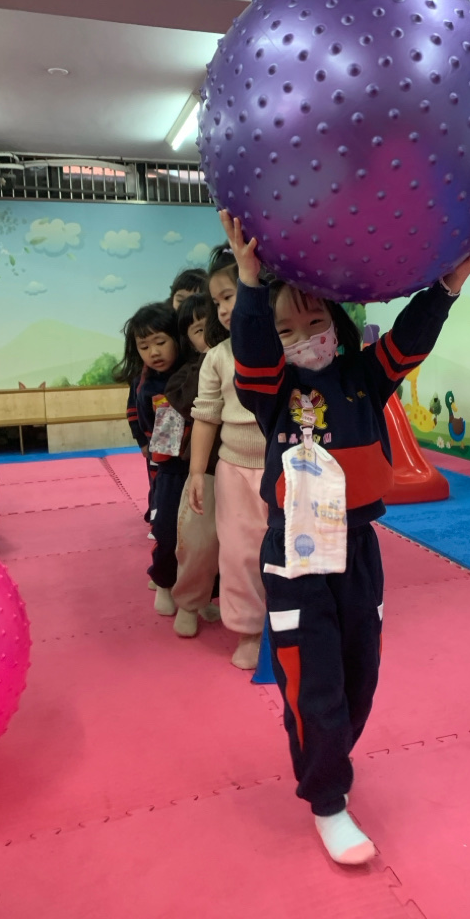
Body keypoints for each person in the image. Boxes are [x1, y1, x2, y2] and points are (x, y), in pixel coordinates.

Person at [224, 209, 470, 865]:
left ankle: (330, 757)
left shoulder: (363, 378)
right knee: (311, 677)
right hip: (298, 549)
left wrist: (448, 286)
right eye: (288, 330)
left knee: (359, 674)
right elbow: (253, 351)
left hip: (360, 545)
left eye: (315, 322)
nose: (304, 337)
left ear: (338, 326)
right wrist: (251, 284)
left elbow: (410, 340)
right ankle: (327, 798)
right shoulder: (273, 390)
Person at [187, 244, 268, 670]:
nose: (221, 309)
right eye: (216, 301)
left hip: (286, 464)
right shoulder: (217, 358)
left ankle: (293, 622)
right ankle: (249, 629)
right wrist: (196, 473)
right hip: (234, 469)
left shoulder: (285, 343)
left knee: (294, 545)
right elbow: (206, 417)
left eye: (229, 296)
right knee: (239, 552)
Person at [117, 302, 187, 614]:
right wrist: (145, 445)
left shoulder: (192, 371)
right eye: (144, 346)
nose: (154, 352)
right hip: (167, 465)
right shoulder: (143, 381)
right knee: (166, 529)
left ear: (177, 338)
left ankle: (199, 591)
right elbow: (137, 415)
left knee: (203, 533)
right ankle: (163, 582)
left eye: (160, 342)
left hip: (201, 463)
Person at [164, 293, 221, 637]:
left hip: (247, 465)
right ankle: (188, 603)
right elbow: (185, 401)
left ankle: (212, 599)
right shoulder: (187, 374)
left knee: (242, 546)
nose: (209, 333)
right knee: (198, 543)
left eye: (212, 324)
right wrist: (208, 360)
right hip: (208, 470)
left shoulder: (241, 357)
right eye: (199, 330)